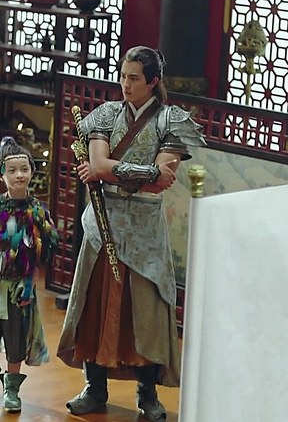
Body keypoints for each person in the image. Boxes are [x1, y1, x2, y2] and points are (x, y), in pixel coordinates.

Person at [56, 46, 206, 420]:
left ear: (153, 81)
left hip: (145, 228)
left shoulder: (172, 120)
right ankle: (94, 386)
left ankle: (148, 393)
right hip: (102, 222)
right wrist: (145, 171)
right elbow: (100, 163)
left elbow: (161, 180)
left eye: (134, 78)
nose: (125, 84)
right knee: (95, 304)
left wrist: (112, 171)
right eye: (123, 76)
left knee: (147, 309)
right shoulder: (106, 114)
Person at [0, 137, 59, 413]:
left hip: (20, 286)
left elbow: (47, 247)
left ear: (32, 172)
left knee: (16, 334)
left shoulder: (37, 211)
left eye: (24, 169)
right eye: (12, 170)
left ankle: (12, 387)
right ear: (1, 175)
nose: (19, 175)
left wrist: (29, 278)